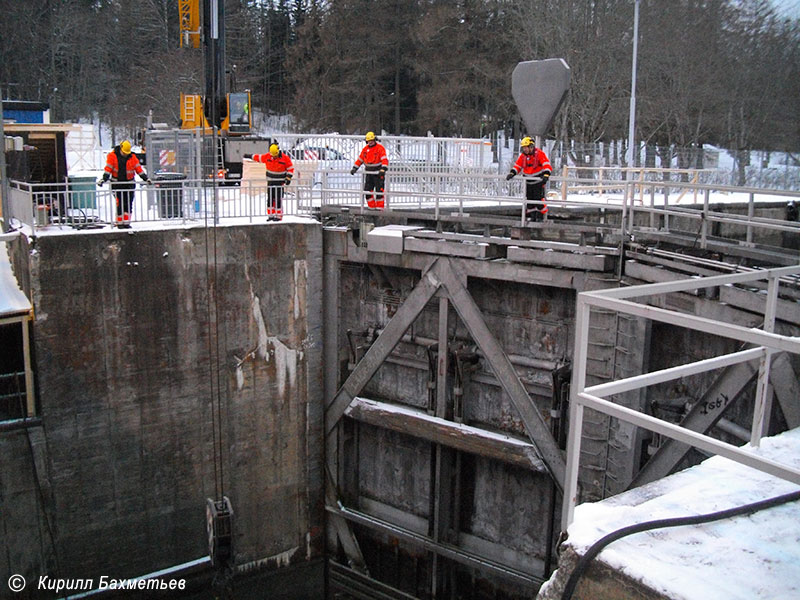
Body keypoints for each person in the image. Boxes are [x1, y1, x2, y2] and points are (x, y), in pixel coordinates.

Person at [98, 140, 151, 228]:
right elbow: (108, 169)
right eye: (124, 153)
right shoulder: (112, 156)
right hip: (117, 184)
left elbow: (139, 170)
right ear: (121, 149)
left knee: (128, 203)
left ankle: (126, 222)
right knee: (120, 203)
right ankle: (119, 223)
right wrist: (104, 179)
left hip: (129, 184)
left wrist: (146, 178)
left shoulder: (132, 157)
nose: (125, 154)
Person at [506, 136, 552, 222]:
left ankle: (540, 216)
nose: (525, 150)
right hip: (528, 182)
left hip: (538, 181)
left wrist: (546, 174)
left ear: (531, 147)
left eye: (526, 147)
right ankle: (532, 216)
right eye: (523, 148)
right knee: (529, 200)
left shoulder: (539, 154)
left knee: (538, 199)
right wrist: (512, 173)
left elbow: (546, 164)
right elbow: (518, 166)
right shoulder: (523, 156)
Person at [244, 143, 294, 221]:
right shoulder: (267, 157)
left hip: (279, 183)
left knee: (278, 199)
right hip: (270, 182)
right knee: (270, 199)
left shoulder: (285, 158)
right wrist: (249, 156)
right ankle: (271, 215)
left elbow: (290, 168)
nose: (274, 157)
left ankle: (278, 216)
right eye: (272, 155)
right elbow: (258, 157)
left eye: (275, 155)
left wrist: (288, 178)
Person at [350, 131, 389, 209]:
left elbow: (384, 159)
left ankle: (379, 208)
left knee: (379, 191)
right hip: (369, 172)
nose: (370, 142)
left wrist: (383, 169)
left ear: (374, 140)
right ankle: (371, 207)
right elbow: (360, 160)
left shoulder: (380, 148)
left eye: (371, 140)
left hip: (378, 173)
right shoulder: (365, 149)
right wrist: (355, 168)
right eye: (368, 141)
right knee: (367, 191)